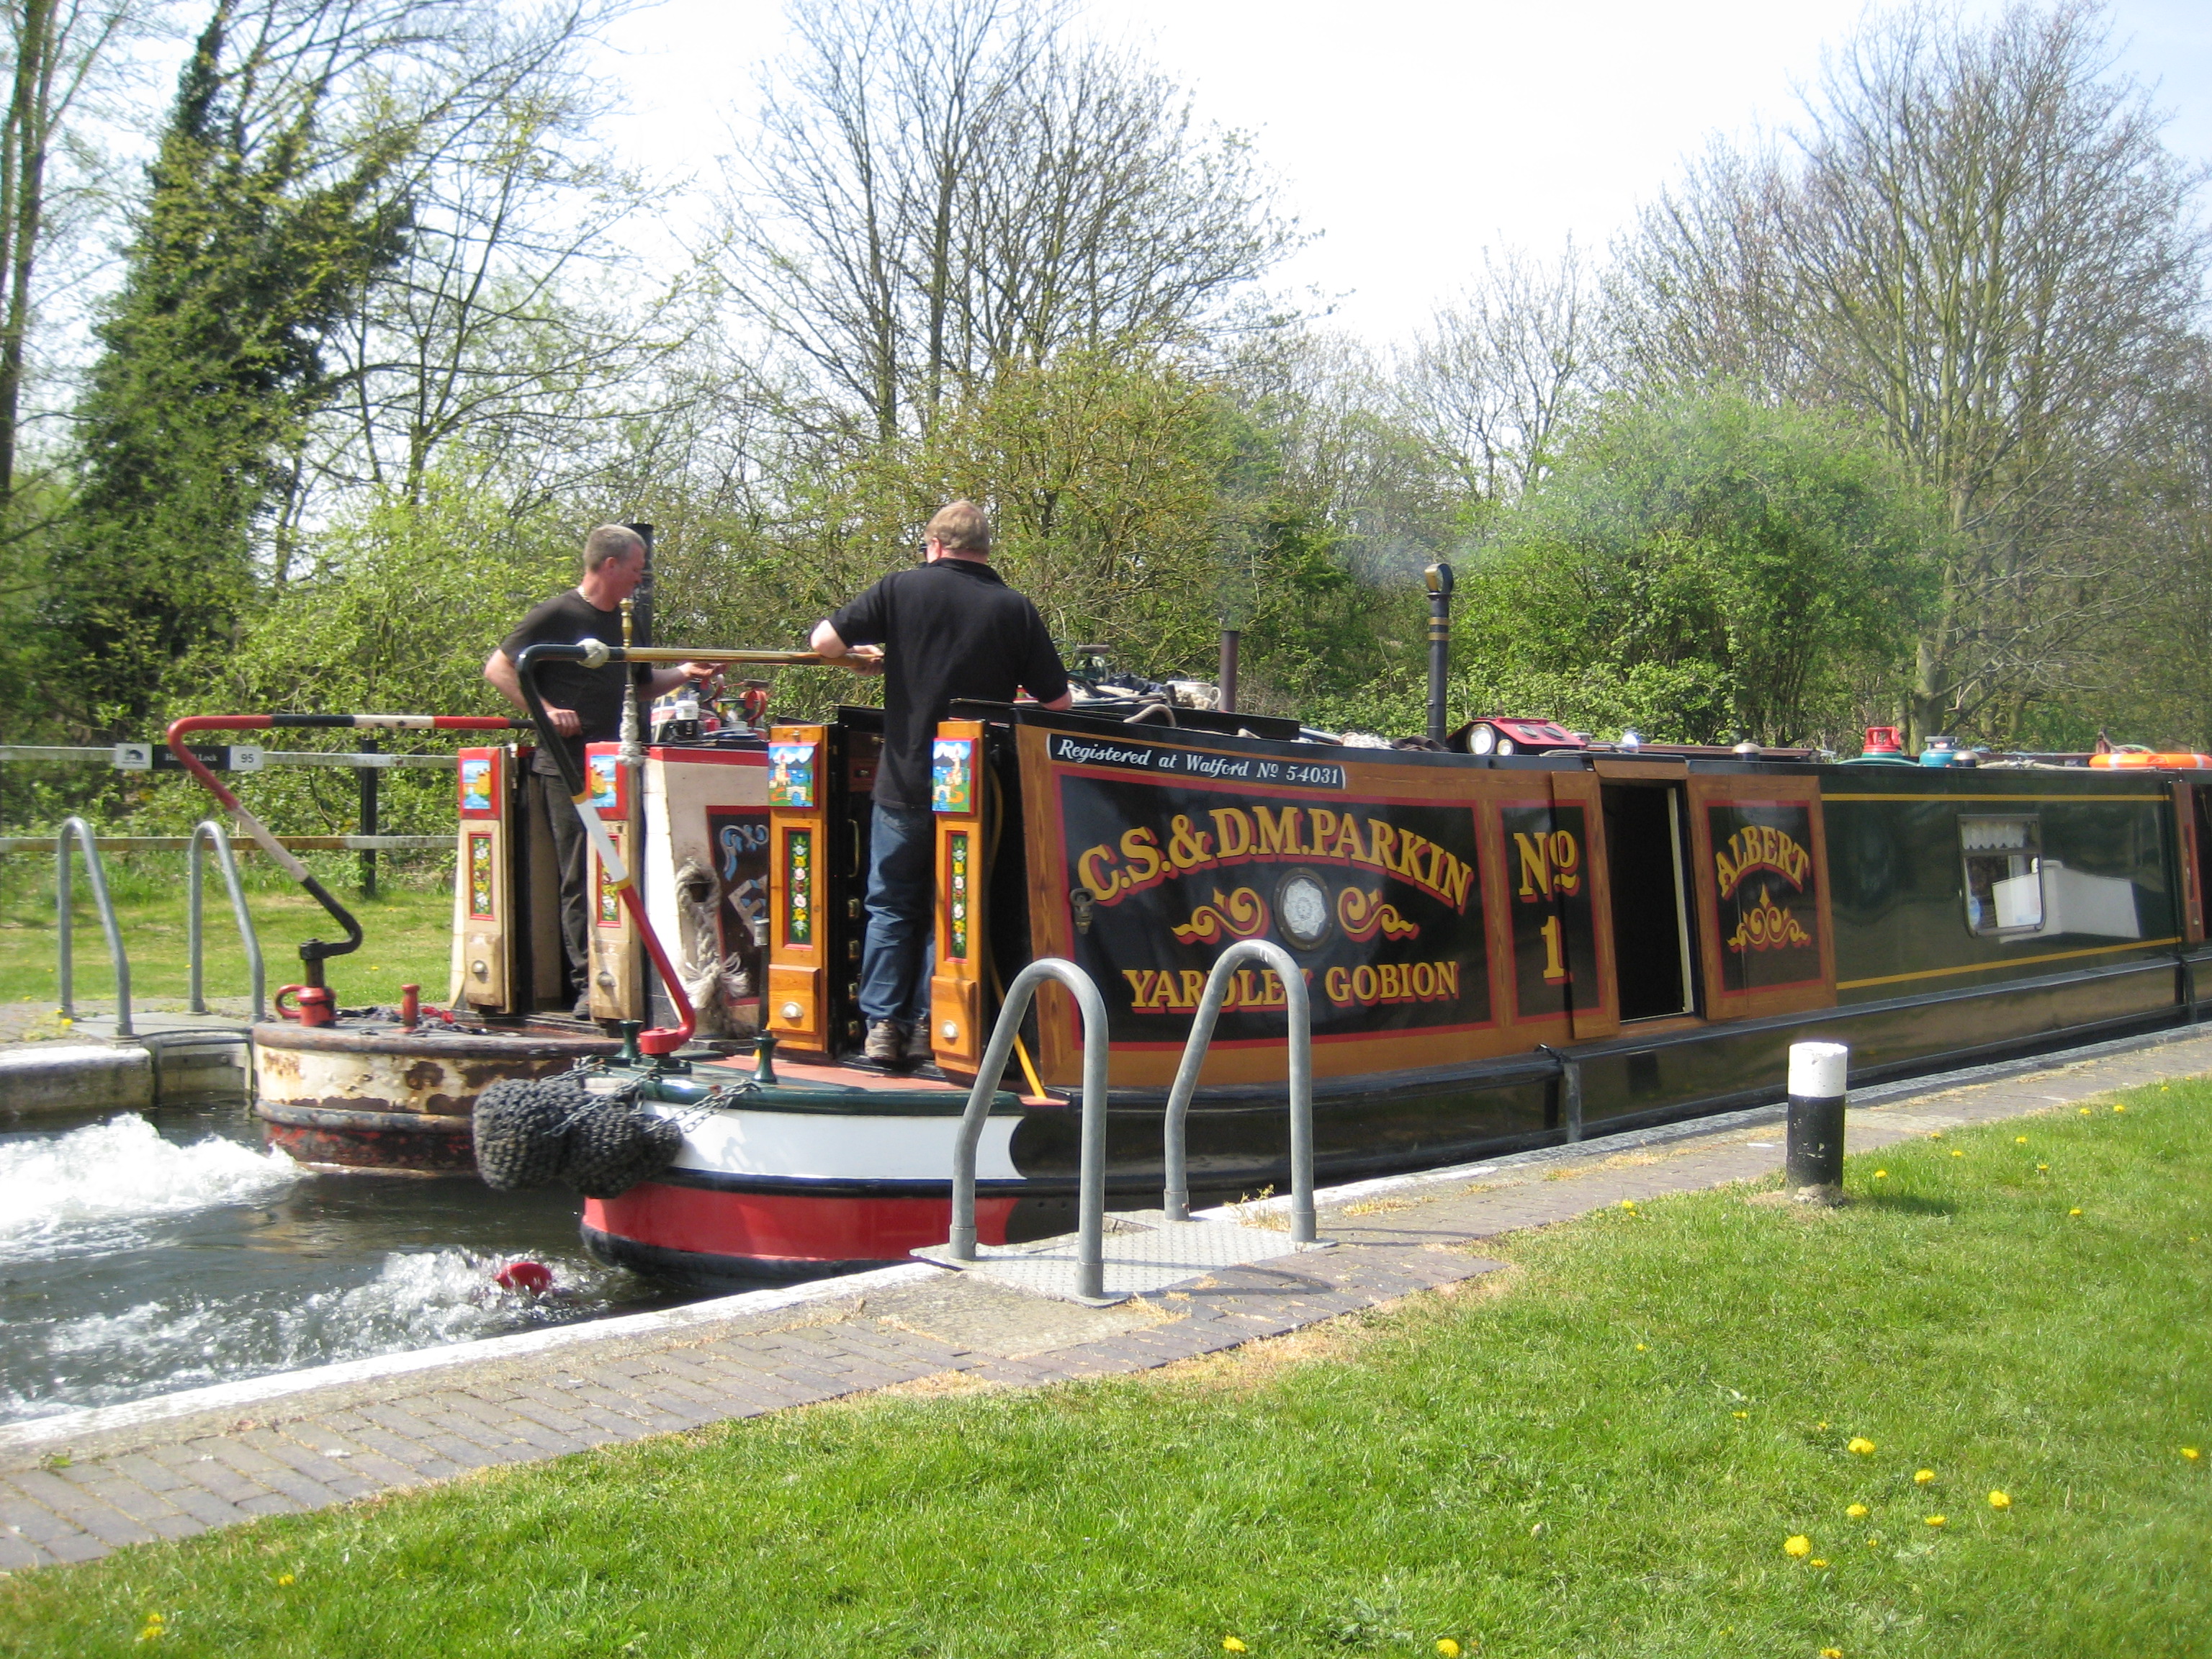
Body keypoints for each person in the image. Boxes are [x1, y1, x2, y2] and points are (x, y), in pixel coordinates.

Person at [812, 501, 1071, 1066]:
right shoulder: (1013, 608)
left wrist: (863, 658)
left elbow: (823, 643)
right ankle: (939, 1023)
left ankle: (884, 1027)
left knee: (891, 905)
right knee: (954, 905)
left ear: (933, 545)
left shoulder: (900, 589)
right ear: (985, 549)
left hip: (904, 779)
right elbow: (1058, 703)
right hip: (972, 789)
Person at [485, 524, 719, 1018]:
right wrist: (547, 712)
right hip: (567, 766)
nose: (640, 579)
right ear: (610, 565)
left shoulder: (629, 622)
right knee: (580, 875)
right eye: (636, 569)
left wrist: (685, 672)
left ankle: (629, 979)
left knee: (623, 870)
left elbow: (642, 684)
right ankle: (587, 984)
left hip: (617, 765)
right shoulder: (557, 614)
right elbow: (499, 669)